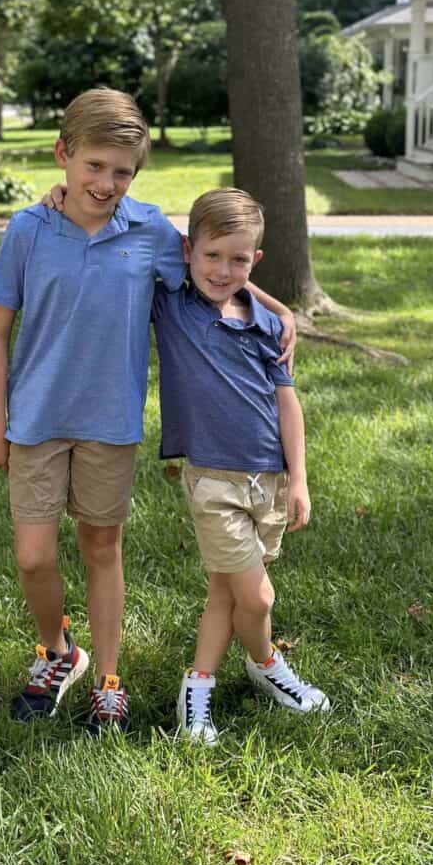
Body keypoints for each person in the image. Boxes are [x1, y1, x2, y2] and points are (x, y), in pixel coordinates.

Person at [0, 89, 296, 734]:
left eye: (122, 171)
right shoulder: (27, 230)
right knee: (34, 558)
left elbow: (212, 262)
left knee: (102, 546)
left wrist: (279, 307)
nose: (106, 182)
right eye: (94, 165)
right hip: (35, 420)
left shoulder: (148, 229)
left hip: (110, 424)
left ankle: (109, 682)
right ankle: (59, 654)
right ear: (62, 155)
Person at [151, 188, 330, 745]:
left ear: (255, 261)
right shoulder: (173, 310)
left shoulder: (268, 327)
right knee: (257, 598)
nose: (222, 269)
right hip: (213, 481)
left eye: (237, 259)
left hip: (269, 481)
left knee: (226, 594)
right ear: (188, 251)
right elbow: (136, 228)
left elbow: (287, 404)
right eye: (211, 255)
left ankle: (198, 684)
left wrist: (298, 478)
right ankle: (266, 662)